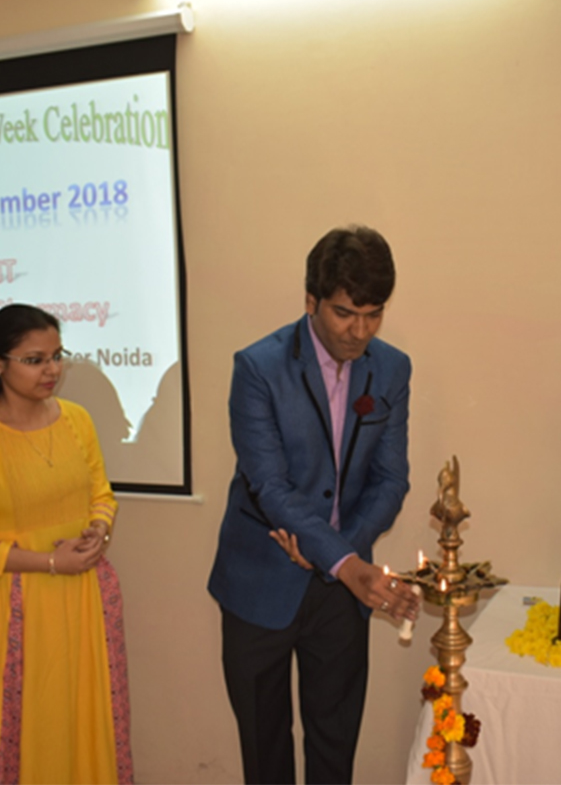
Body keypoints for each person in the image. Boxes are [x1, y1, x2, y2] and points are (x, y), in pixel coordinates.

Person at [208, 226, 422, 785]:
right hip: (260, 579)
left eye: (374, 315)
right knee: (265, 748)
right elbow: (269, 485)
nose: (360, 331)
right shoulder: (258, 367)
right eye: (345, 313)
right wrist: (346, 563)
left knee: (335, 745)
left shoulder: (392, 368)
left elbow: (391, 479)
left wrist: (338, 556)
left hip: (341, 589)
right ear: (312, 300)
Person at [0, 304, 131, 785]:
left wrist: (98, 529)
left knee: (84, 720)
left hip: (83, 598)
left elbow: (102, 495)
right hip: (12, 606)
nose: (51, 370)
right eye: (34, 360)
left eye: (57, 356)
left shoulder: (76, 420)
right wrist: (48, 561)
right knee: (23, 733)